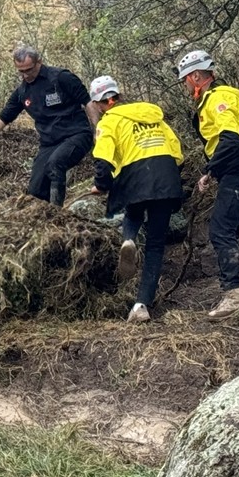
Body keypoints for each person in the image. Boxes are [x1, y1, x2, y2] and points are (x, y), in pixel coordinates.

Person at [175, 50, 239, 320]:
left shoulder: (219, 99)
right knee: (227, 229)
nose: (185, 86)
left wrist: (209, 169)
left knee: (221, 229)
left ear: (195, 76)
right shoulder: (215, 99)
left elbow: (230, 139)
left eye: (185, 80)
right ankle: (235, 291)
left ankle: (234, 295)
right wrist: (215, 172)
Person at [88, 75, 185, 323]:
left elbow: (103, 157)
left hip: (136, 175)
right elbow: (177, 152)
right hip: (166, 174)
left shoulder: (108, 121)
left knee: (132, 212)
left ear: (99, 103)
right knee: (155, 245)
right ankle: (142, 305)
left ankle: (129, 239)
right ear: (118, 96)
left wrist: (101, 185)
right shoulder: (154, 117)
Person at [0, 45, 93, 205]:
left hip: (76, 135)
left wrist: (98, 130)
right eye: (21, 71)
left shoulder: (61, 78)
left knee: (55, 164)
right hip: (49, 143)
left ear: (39, 62)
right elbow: (4, 117)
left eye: (29, 69)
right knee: (36, 191)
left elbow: (88, 102)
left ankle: (57, 215)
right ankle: (44, 221)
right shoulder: (22, 92)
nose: (26, 75)